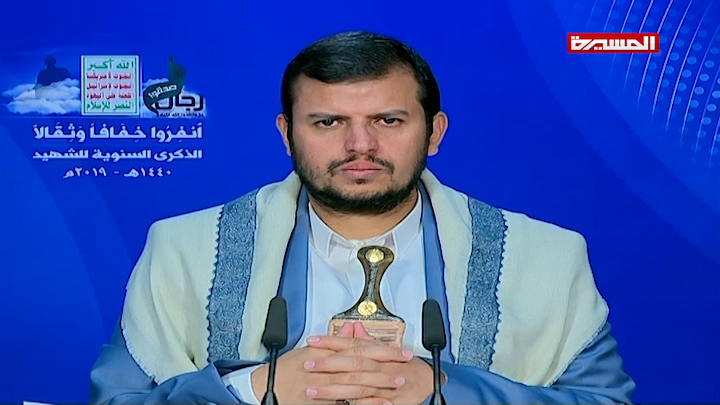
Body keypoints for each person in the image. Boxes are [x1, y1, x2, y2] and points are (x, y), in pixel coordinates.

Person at [90, 31, 635, 404]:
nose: (360, 145)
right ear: (287, 135)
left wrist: (442, 389)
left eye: (387, 120)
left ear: (434, 133)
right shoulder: (184, 248)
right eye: (328, 122)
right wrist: (252, 389)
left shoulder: (544, 257)